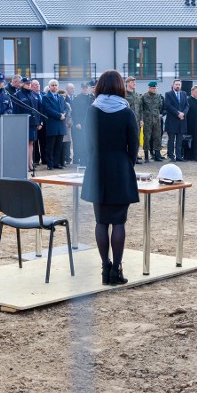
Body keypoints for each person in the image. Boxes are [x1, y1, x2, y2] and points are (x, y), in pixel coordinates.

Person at [80, 70, 139, 286]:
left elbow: (87, 143)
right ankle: (117, 269)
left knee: (101, 221)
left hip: (98, 166)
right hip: (120, 167)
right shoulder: (126, 112)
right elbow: (134, 145)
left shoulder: (92, 111)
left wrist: (95, 159)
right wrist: (127, 164)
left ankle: (105, 268)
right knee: (119, 222)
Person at [14, 77, 42, 171]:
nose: (29, 85)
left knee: (31, 143)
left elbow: (38, 109)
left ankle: (29, 163)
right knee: (23, 144)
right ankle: (23, 164)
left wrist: (39, 122)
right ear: (22, 84)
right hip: (22, 123)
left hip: (33, 123)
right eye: (27, 83)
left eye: (29, 83)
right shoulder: (17, 95)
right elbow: (15, 111)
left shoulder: (34, 94)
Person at [42, 79, 68, 170]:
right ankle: (50, 164)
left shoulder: (60, 97)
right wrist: (59, 115)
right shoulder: (46, 97)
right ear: (49, 87)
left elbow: (65, 107)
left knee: (58, 146)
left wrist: (64, 114)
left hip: (61, 124)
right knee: (50, 146)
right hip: (52, 123)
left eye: (56, 85)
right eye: (52, 85)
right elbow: (48, 109)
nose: (54, 87)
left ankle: (57, 163)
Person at [163, 79, 189, 161]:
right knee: (171, 140)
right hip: (172, 121)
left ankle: (178, 156)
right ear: (173, 85)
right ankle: (170, 156)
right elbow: (168, 106)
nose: (178, 86)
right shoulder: (168, 94)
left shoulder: (184, 94)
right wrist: (178, 113)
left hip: (182, 121)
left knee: (179, 140)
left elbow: (187, 106)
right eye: (176, 84)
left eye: (179, 84)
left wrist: (183, 114)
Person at [140, 81, 164, 162]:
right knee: (147, 137)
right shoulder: (144, 97)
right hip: (147, 121)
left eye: (155, 88)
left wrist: (159, 115)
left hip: (156, 120)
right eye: (153, 88)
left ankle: (157, 155)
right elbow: (141, 108)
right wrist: (142, 119)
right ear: (149, 88)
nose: (154, 89)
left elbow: (160, 106)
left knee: (157, 137)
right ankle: (146, 156)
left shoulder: (158, 96)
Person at [71, 81, 93, 166]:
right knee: (81, 142)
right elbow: (74, 112)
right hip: (81, 123)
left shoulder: (91, 98)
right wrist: (77, 122)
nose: (85, 89)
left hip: (90, 123)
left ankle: (89, 161)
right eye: (84, 87)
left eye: (86, 87)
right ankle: (83, 161)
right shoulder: (77, 98)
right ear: (81, 88)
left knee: (89, 142)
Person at [124, 77, 143, 164]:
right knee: (126, 138)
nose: (134, 83)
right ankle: (125, 155)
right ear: (127, 83)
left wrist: (141, 119)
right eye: (132, 82)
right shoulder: (123, 94)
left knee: (136, 139)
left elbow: (141, 109)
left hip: (136, 121)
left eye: (135, 82)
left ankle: (135, 156)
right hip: (126, 121)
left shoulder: (137, 95)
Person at [32, 79, 46, 166]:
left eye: (38, 85)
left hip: (43, 121)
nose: (37, 86)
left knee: (44, 141)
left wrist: (41, 122)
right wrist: (38, 122)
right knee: (35, 142)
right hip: (35, 122)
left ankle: (45, 159)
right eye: (35, 85)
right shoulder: (31, 95)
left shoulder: (43, 95)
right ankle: (36, 159)